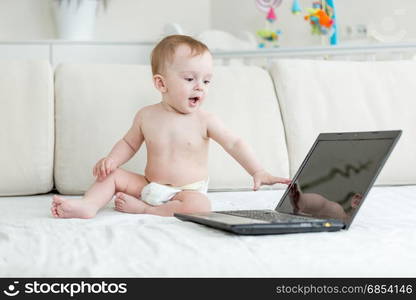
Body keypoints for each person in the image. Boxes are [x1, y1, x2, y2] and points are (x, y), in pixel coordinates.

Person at [51, 35, 290, 219]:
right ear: (161, 83)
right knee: (112, 176)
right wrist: (112, 160)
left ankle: (146, 211)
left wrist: (258, 171)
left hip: (185, 193)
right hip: (148, 185)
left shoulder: (205, 120)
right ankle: (89, 205)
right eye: (190, 79)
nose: (200, 87)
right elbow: (128, 143)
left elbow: (234, 143)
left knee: (201, 206)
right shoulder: (146, 115)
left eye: (206, 81)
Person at [289, 181, 362, 222]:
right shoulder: (337, 210)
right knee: (333, 209)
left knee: (333, 210)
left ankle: (302, 200)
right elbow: (321, 204)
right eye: (357, 197)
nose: (357, 200)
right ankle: (302, 200)